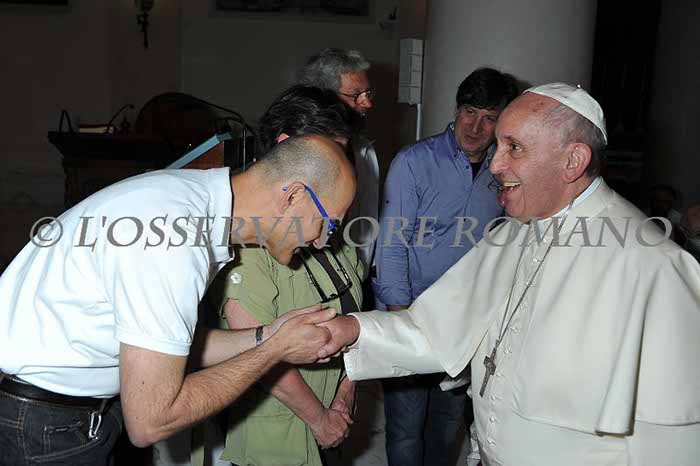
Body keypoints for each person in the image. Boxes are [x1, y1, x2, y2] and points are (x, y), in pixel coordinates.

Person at [316, 83, 700, 466]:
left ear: (573, 160)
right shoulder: (512, 233)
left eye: (514, 147)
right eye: (499, 145)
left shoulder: (653, 267)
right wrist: (351, 330)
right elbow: (436, 330)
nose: (495, 164)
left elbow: (673, 443)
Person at [0, 134, 355, 464]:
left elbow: (169, 348)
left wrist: (268, 335)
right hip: (43, 425)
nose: (323, 241)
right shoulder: (175, 238)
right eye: (329, 224)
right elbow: (151, 421)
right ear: (293, 197)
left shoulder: (191, 203)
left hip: (60, 414)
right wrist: (273, 351)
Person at [196, 87, 364, 466]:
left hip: (335, 422)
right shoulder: (247, 237)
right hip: (279, 438)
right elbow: (257, 350)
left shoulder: (331, 226)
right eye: (332, 153)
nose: (340, 168)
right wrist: (320, 420)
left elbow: (357, 314)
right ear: (288, 147)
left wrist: (346, 390)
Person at [373, 67, 518, 466]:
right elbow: (392, 244)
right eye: (470, 112)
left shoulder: (503, 172)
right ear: (456, 110)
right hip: (411, 312)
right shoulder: (414, 162)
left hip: (463, 322)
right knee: (406, 428)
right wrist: (400, 321)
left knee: (448, 424)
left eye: (489, 118)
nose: (475, 127)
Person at [298, 48, 380, 285]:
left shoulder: (365, 151)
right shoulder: (298, 153)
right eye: (356, 95)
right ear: (324, 98)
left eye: (368, 92)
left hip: (357, 278)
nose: (367, 103)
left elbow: (367, 218)